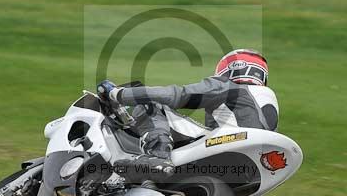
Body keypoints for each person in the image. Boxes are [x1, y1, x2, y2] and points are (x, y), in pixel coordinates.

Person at [97, 49, 279, 182]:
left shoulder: (228, 86)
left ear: (229, 69)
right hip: (255, 172)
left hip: (227, 147)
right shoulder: (269, 100)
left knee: (150, 103)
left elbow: (176, 95)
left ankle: (158, 158)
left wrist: (117, 94)